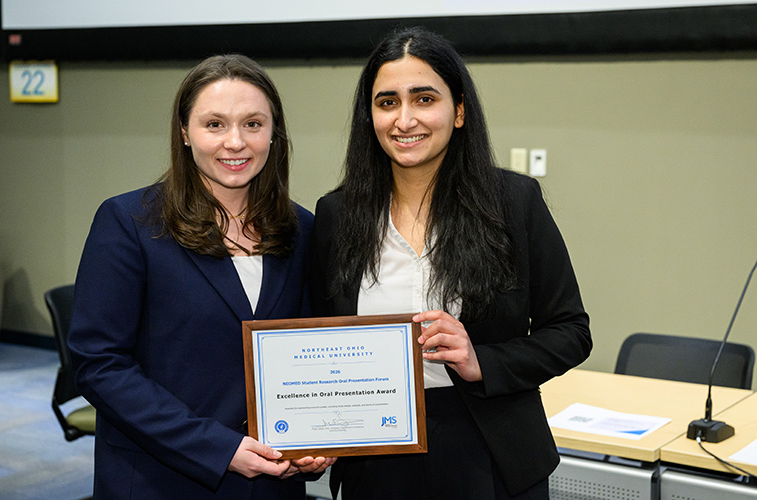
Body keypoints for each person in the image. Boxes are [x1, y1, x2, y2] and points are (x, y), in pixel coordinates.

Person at [310, 27, 592, 499]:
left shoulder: (514, 201)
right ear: (370, 116)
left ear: (458, 111)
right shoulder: (337, 215)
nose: (404, 120)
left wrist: (481, 360)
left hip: (490, 450)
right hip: (376, 454)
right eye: (387, 102)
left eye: (424, 99)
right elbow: (320, 336)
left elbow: (570, 331)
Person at [68, 54, 333, 499]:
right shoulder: (129, 222)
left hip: (272, 484)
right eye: (214, 124)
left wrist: (315, 443)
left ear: (275, 134)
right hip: (162, 479)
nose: (236, 142)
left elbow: (314, 351)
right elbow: (100, 365)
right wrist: (220, 448)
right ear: (184, 133)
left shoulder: (303, 228)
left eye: (253, 124)